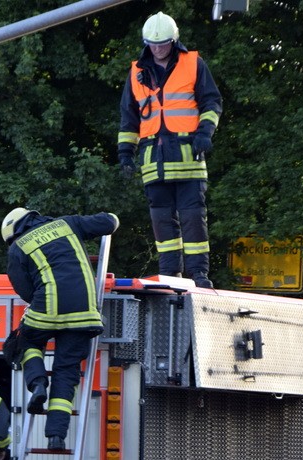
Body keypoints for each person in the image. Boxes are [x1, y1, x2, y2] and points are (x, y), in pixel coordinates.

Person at [118, 11, 223, 288]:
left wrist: (205, 133)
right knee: (161, 221)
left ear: (173, 41)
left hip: (188, 154)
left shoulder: (193, 64)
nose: (157, 49)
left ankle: (198, 274)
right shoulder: (137, 72)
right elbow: (129, 117)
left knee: (192, 218)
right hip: (154, 159)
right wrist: (125, 152)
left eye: (163, 43)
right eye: (152, 44)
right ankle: (169, 274)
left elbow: (212, 103)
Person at [1, 207, 119, 450]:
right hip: (84, 313)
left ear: (14, 232)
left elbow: (24, 290)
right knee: (67, 370)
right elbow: (110, 222)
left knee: (27, 343)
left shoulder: (17, 248)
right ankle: (56, 435)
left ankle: (38, 384)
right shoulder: (67, 224)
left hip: (46, 309)